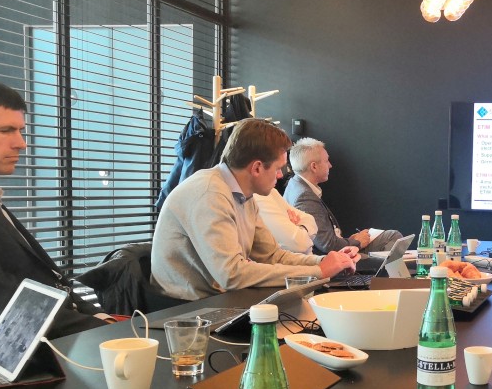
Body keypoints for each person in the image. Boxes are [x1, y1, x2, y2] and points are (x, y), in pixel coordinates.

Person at [0, 73, 112, 340]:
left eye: (20, 131)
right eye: (5, 131)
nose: (21, 143)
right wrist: (103, 332)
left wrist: (100, 317)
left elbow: (49, 280)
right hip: (18, 349)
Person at [151, 119, 355, 300]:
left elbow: (272, 256)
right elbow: (232, 274)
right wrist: (319, 272)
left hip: (216, 298)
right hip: (184, 309)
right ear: (257, 168)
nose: (280, 176)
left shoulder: (243, 195)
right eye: (278, 168)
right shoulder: (209, 194)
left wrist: (324, 261)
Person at [283, 137, 402, 254]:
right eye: (326, 161)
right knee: (392, 237)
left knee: (392, 237)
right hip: (329, 259)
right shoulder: (304, 197)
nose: (330, 165)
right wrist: (357, 242)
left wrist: (349, 241)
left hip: (335, 250)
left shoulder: (295, 185)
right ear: (314, 166)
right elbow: (328, 245)